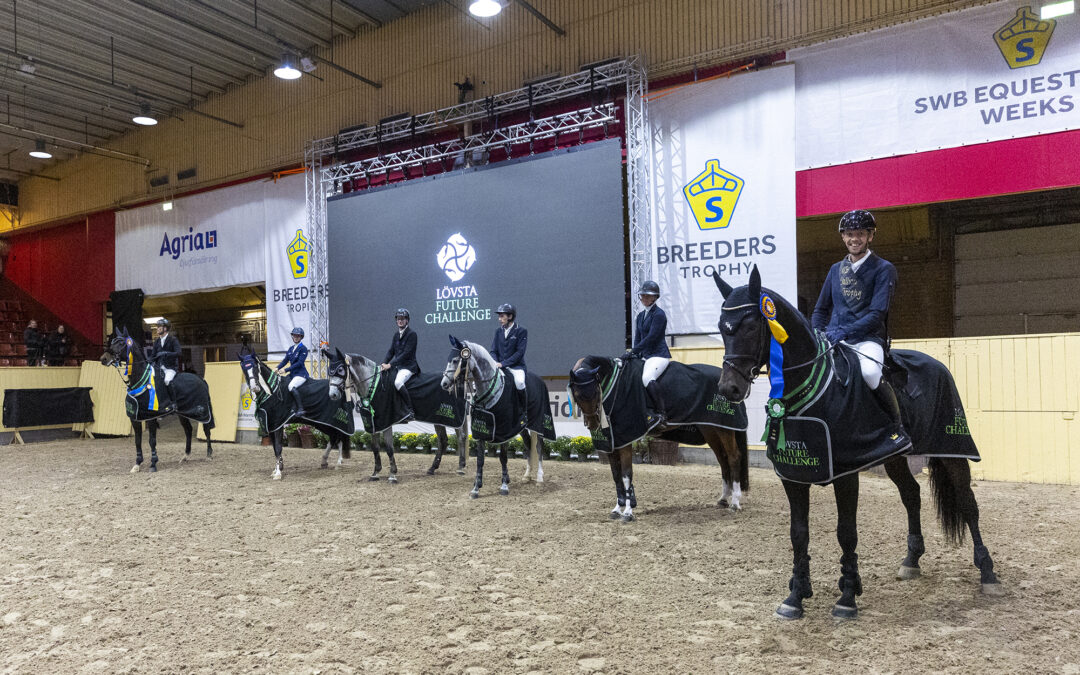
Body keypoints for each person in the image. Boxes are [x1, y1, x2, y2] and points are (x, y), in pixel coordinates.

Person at [811, 209, 907, 440]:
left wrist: (845, 331)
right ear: (843, 237)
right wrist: (816, 332)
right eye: (850, 234)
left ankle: (896, 428)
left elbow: (877, 313)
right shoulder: (835, 269)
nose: (855, 239)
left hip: (867, 339)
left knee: (871, 372)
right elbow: (821, 309)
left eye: (861, 234)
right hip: (834, 338)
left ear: (870, 236)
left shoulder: (884, 269)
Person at [626, 280, 671, 427]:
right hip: (645, 355)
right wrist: (634, 354)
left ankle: (662, 414)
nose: (644, 298)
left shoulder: (659, 315)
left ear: (654, 298)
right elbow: (638, 338)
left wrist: (634, 351)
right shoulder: (640, 316)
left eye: (647, 296)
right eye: (642, 295)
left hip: (658, 355)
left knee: (647, 377)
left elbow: (652, 338)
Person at [381, 308, 419, 421]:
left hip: (408, 367)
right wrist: (384, 363)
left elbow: (406, 354)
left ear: (407, 320)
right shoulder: (396, 335)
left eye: (403, 319)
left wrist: (390, 365)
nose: (400, 321)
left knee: (398, 382)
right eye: (398, 319)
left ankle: (410, 410)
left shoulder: (412, 334)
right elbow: (391, 351)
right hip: (398, 367)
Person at [490, 303, 527, 410]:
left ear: (510, 316)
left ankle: (523, 410)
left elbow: (520, 353)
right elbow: (493, 350)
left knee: (520, 382)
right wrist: (495, 363)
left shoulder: (521, 331)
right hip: (499, 365)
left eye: (502, 316)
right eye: (499, 316)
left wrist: (503, 364)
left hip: (516, 366)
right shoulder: (498, 331)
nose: (499, 319)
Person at [277, 326, 310, 417]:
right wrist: (277, 368)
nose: (296, 337)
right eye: (294, 336)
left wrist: (285, 370)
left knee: (291, 386)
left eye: (298, 336)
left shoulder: (303, 348)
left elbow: (299, 363)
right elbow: (285, 361)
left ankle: (300, 409)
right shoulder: (291, 349)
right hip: (293, 374)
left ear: (301, 337)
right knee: (283, 384)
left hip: (301, 374)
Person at [151, 318, 182, 386]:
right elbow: (153, 355)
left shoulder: (173, 340)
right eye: (157, 327)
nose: (157, 328)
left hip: (170, 368)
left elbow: (179, 353)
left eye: (159, 327)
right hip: (158, 368)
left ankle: (172, 396)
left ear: (165, 328)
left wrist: (166, 354)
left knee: (167, 380)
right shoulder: (157, 341)